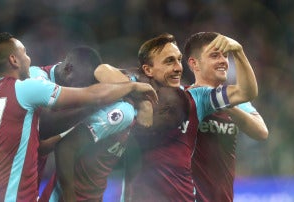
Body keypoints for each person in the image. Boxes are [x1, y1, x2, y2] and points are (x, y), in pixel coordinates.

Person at [0, 32, 157, 201]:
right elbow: (89, 98)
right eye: (25, 52)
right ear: (13, 60)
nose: (29, 58)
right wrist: (131, 88)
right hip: (11, 195)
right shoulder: (28, 85)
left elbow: (38, 144)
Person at [94, 32, 258, 201]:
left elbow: (246, 92)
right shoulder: (134, 94)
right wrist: (143, 100)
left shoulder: (196, 98)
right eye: (169, 61)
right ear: (148, 70)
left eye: (179, 59)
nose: (178, 67)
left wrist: (238, 51)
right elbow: (102, 70)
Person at [184, 31, 269, 202]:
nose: (223, 61)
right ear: (195, 63)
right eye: (215, 55)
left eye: (225, 55)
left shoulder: (237, 103)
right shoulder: (183, 98)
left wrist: (226, 104)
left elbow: (261, 132)